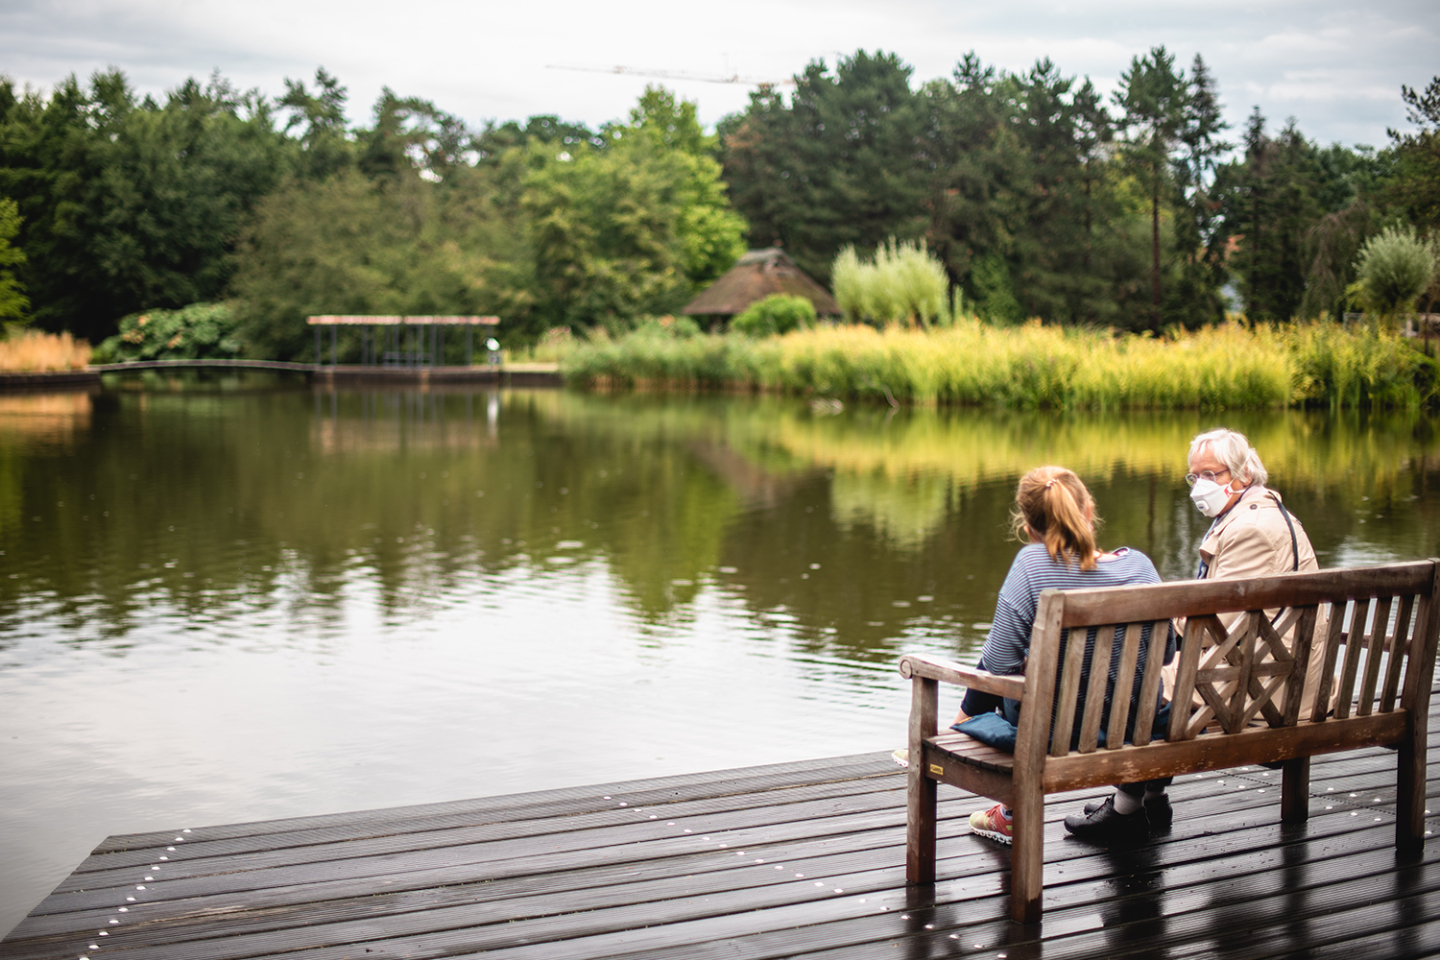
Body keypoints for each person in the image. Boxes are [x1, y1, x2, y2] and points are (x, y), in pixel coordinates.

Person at [949, 466, 1176, 845]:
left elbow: (1000, 665)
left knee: (1002, 678)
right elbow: (1164, 652)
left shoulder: (1032, 565)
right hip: (1136, 724)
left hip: (1054, 730)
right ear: (1089, 511)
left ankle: (1006, 813)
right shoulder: (1140, 566)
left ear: (1027, 526)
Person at [1178, 428, 1324, 718]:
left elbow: (1217, 625)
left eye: (1211, 474)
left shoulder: (1251, 529)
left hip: (1267, 689)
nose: (1200, 486)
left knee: (1129, 675)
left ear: (1243, 474)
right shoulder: (1255, 514)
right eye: (1195, 476)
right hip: (1268, 669)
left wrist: (1161, 624)